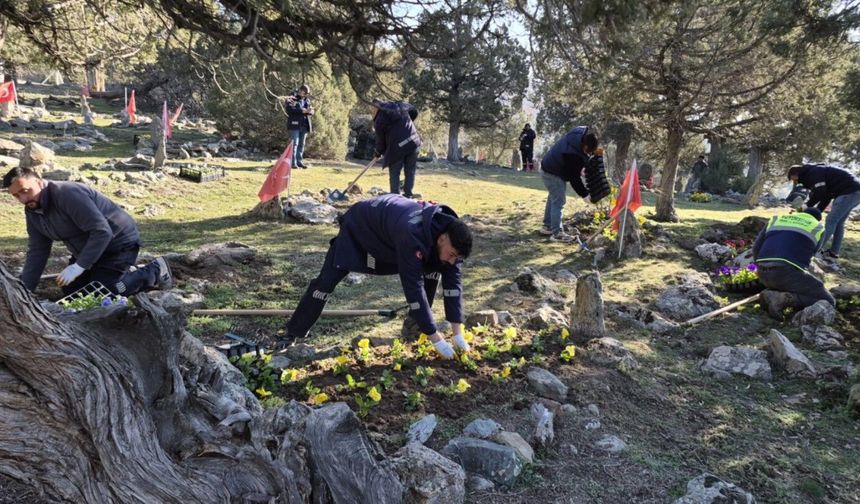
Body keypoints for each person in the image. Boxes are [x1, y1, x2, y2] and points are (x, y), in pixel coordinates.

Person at [277, 194, 472, 359]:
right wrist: (436, 338)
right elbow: (413, 288)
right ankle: (292, 332)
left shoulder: (451, 238)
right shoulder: (412, 234)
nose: (454, 260)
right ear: (442, 238)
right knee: (326, 282)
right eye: (453, 254)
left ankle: (415, 328)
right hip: (361, 226)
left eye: (458, 257)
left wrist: (458, 334)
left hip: (388, 233)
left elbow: (453, 285)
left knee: (436, 267)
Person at [3, 167, 172, 297]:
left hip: (117, 244)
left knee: (106, 292)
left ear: (39, 182)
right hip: (87, 250)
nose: (23, 199)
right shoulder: (32, 210)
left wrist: (79, 266)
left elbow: (102, 231)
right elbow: (38, 251)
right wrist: (25, 291)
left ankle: (155, 271)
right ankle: (124, 273)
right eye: (16, 196)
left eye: (25, 191)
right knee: (71, 292)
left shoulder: (67, 194)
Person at [752, 207, 835, 319]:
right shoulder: (818, 227)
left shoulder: (776, 219)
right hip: (785, 272)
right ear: (818, 219)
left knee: (786, 280)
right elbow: (812, 253)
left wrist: (762, 268)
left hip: (762, 272)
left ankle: (772, 292)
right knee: (828, 300)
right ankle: (781, 299)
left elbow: (756, 247)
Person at [538, 126, 610, 242]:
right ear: (585, 146)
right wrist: (585, 195)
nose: (590, 153)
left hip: (549, 165)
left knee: (554, 197)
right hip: (552, 172)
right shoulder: (572, 154)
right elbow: (574, 178)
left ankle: (548, 226)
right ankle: (557, 233)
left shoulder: (579, 133)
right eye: (589, 151)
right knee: (559, 200)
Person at [787, 163, 860, 259]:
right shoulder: (816, 171)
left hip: (848, 192)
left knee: (831, 220)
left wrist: (805, 207)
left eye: (794, 179)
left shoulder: (814, 173)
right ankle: (834, 252)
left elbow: (820, 193)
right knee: (838, 222)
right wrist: (816, 212)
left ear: (797, 174)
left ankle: (815, 250)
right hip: (855, 191)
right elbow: (826, 196)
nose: (795, 182)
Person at [372, 99, 421, 198]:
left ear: (376, 107)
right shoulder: (400, 106)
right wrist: (406, 124)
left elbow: (380, 140)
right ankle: (408, 195)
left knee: (394, 172)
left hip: (397, 147)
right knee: (410, 171)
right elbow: (414, 110)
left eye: (372, 109)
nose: (371, 112)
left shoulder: (379, 119)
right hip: (414, 141)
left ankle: (395, 197)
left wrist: (378, 152)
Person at [286, 84, 314, 169]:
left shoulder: (307, 101)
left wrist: (310, 111)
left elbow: (310, 111)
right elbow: (289, 110)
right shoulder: (292, 98)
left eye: (305, 92)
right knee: (294, 144)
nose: (303, 93)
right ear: (299, 90)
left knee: (301, 144)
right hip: (295, 124)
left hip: (304, 125)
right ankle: (293, 163)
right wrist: (302, 111)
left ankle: (299, 161)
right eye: (302, 91)